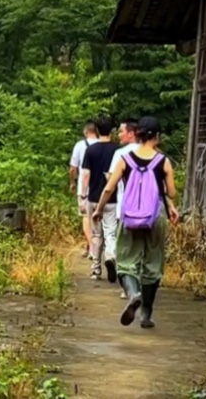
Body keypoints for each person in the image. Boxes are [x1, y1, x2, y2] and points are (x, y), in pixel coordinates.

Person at [94, 115, 178, 330]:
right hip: (154, 216)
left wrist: (99, 209)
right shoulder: (163, 161)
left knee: (125, 261)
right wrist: (170, 204)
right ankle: (146, 314)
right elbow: (171, 192)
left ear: (137, 134)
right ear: (157, 137)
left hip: (129, 216)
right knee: (153, 264)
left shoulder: (125, 158)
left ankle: (133, 293)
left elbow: (109, 188)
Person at [79, 116, 120, 281]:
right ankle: (110, 255)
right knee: (110, 232)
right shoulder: (118, 150)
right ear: (112, 131)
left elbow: (86, 175)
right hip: (112, 198)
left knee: (96, 234)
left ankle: (96, 268)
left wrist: (83, 195)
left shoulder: (91, 150)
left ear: (96, 131)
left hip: (94, 197)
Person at [106, 119, 138, 295]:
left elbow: (111, 180)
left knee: (124, 250)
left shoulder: (121, 154)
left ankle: (128, 289)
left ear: (131, 133)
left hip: (125, 209)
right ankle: (140, 285)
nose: (119, 135)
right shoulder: (151, 153)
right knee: (140, 249)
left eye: (121, 132)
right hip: (148, 210)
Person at [69, 121, 100, 256]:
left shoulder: (80, 145)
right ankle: (89, 247)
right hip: (101, 187)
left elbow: (73, 168)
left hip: (85, 187)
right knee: (97, 217)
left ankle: (93, 247)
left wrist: (72, 181)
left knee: (85, 218)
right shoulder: (102, 144)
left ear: (86, 132)